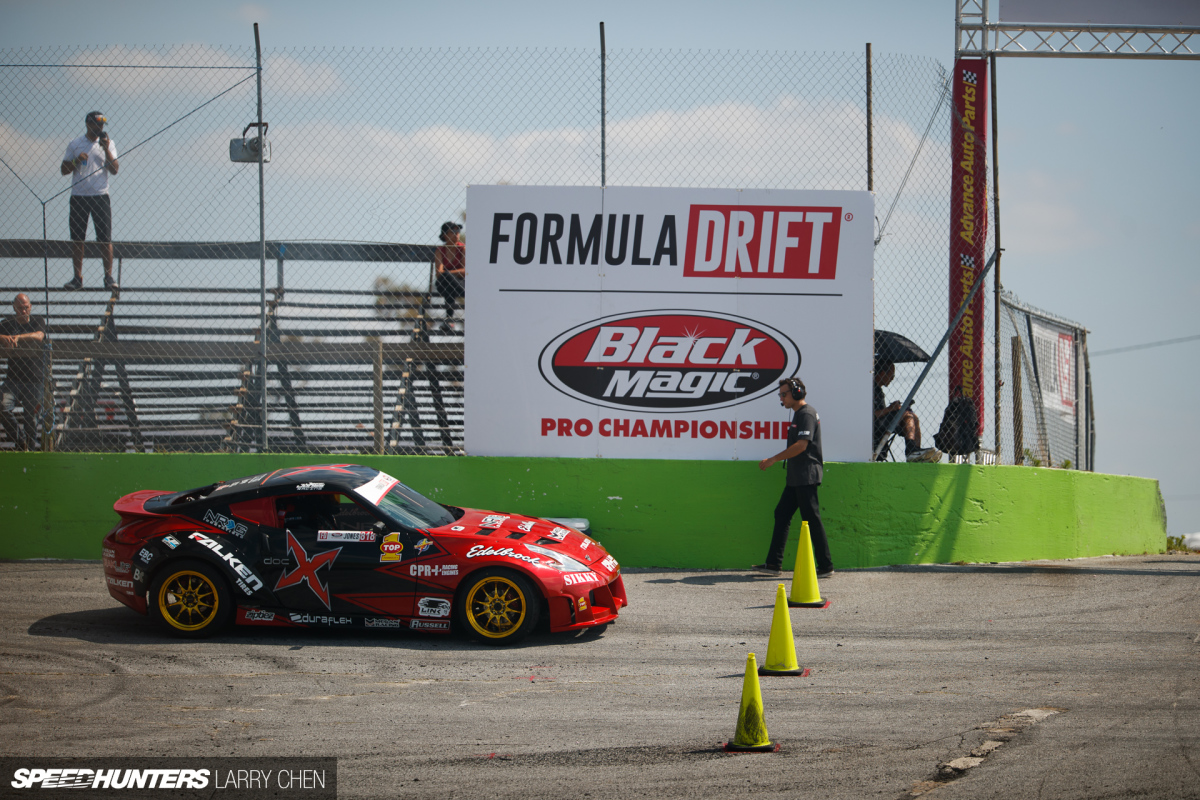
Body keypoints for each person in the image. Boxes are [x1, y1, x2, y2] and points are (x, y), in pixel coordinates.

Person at [751, 377, 834, 578]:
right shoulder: (798, 414)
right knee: (782, 513)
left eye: (784, 394)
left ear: (796, 393)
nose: (782, 398)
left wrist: (773, 459)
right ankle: (773, 564)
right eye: (780, 394)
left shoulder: (806, 414)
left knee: (811, 520)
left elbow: (801, 446)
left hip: (806, 476)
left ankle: (825, 566)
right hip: (796, 477)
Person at [61, 111, 119, 291]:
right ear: (88, 124)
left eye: (102, 126)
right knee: (78, 239)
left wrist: (106, 149)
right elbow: (64, 169)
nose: (100, 129)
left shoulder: (109, 144)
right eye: (96, 125)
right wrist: (76, 160)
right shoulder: (75, 144)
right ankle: (77, 278)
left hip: (101, 196)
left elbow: (115, 169)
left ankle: (108, 277)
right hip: (79, 197)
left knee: (105, 238)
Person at [0, 293, 47, 451]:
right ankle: (20, 441)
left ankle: (30, 449)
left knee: (31, 418)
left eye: (26, 307)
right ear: (14, 307)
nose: (23, 311)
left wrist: (18, 338)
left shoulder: (37, 321)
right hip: (13, 378)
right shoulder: (6, 324)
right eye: (20, 308)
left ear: (30, 307)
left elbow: (39, 336)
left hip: (34, 378)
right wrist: (4, 337)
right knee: (2, 406)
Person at [873, 358, 940, 462]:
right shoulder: (870, 388)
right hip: (873, 426)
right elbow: (871, 416)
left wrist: (892, 409)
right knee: (906, 415)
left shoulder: (879, 390)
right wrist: (890, 409)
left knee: (913, 416)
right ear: (882, 373)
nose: (892, 378)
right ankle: (910, 451)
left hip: (881, 422)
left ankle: (917, 453)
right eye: (892, 375)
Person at [434, 221, 465, 316]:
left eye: (458, 230)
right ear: (445, 235)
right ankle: (466, 295)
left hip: (460, 283)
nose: (456, 233)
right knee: (445, 280)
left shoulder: (462, 248)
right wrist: (455, 273)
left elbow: (466, 272)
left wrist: (448, 273)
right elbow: (438, 273)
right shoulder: (440, 250)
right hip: (445, 283)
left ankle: (449, 319)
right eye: (453, 231)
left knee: (448, 282)